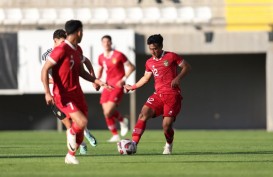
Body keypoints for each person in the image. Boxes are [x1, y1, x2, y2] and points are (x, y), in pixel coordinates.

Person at [41, 20, 111, 164]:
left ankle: (70, 155)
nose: (82, 34)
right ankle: (70, 135)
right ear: (78, 32)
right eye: (82, 31)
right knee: (80, 122)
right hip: (63, 95)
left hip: (77, 93)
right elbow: (44, 70)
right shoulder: (60, 50)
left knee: (81, 126)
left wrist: (96, 80)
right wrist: (47, 93)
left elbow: (80, 71)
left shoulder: (77, 50)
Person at [124, 34, 191, 155]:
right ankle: (133, 144)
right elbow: (145, 78)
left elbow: (187, 67)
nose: (153, 52)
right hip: (158, 95)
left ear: (161, 46)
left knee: (166, 125)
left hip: (172, 95)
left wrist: (178, 78)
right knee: (143, 114)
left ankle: (169, 144)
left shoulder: (171, 56)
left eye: (155, 48)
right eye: (151, 49)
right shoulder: (149, 62)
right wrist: (132, 87)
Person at [97, 35, 135, 142]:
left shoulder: (118, 55)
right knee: (106, 113)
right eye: (104, 42)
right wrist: (97, 80)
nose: (106, 44)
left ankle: (122, 120)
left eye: (108, 42)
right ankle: (116, 134)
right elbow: (100, 70)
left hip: (117, 86)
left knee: (109, 111)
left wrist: (124, 79)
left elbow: (132, 67)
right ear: (102, 44)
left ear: (111, 43)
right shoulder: (101, 57)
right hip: (107, 86)